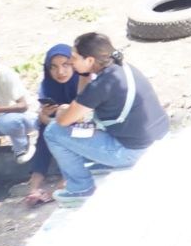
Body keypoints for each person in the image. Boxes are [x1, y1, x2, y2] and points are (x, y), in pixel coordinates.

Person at [41, 32, 170, 203]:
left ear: (90, 61)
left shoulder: (101, 86)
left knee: (53, 132)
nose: (71, 62)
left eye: (74, 57)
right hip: (158, 138)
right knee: (84, 123)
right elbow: (82, 100)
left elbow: (65, 120)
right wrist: (84, 74)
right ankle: (101, 161)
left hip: (134, 152)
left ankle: (81, 188)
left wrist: (61, 111)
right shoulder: (123, 68)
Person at [23, 43, 81, 204]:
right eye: (53, 67)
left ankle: (65, 181)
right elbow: (45, 117)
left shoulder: (83, 81)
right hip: (56, 124)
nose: (60, 72)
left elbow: (83, 116)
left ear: (74, 64)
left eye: (65, 65)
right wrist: (44, 115)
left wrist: (51, 121)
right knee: (45, 132)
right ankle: (34, 186)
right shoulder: (47, 85)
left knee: (63, 132)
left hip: (81, 127)